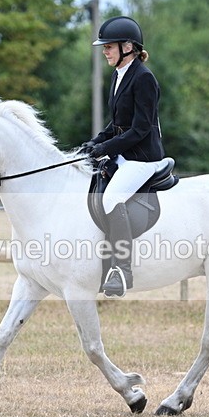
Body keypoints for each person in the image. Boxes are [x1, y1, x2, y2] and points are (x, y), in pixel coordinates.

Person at [81, 16, 166, 298]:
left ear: (128, 47)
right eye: (104, 47)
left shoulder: (144, 78)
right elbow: (116, 124)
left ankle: (122, 269)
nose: (104, 51)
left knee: (112, 197)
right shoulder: (118, 75)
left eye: (109, 46)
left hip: (142, 158)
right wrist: (95, 142)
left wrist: (107, 149)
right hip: (125, 154)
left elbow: (140, 129)